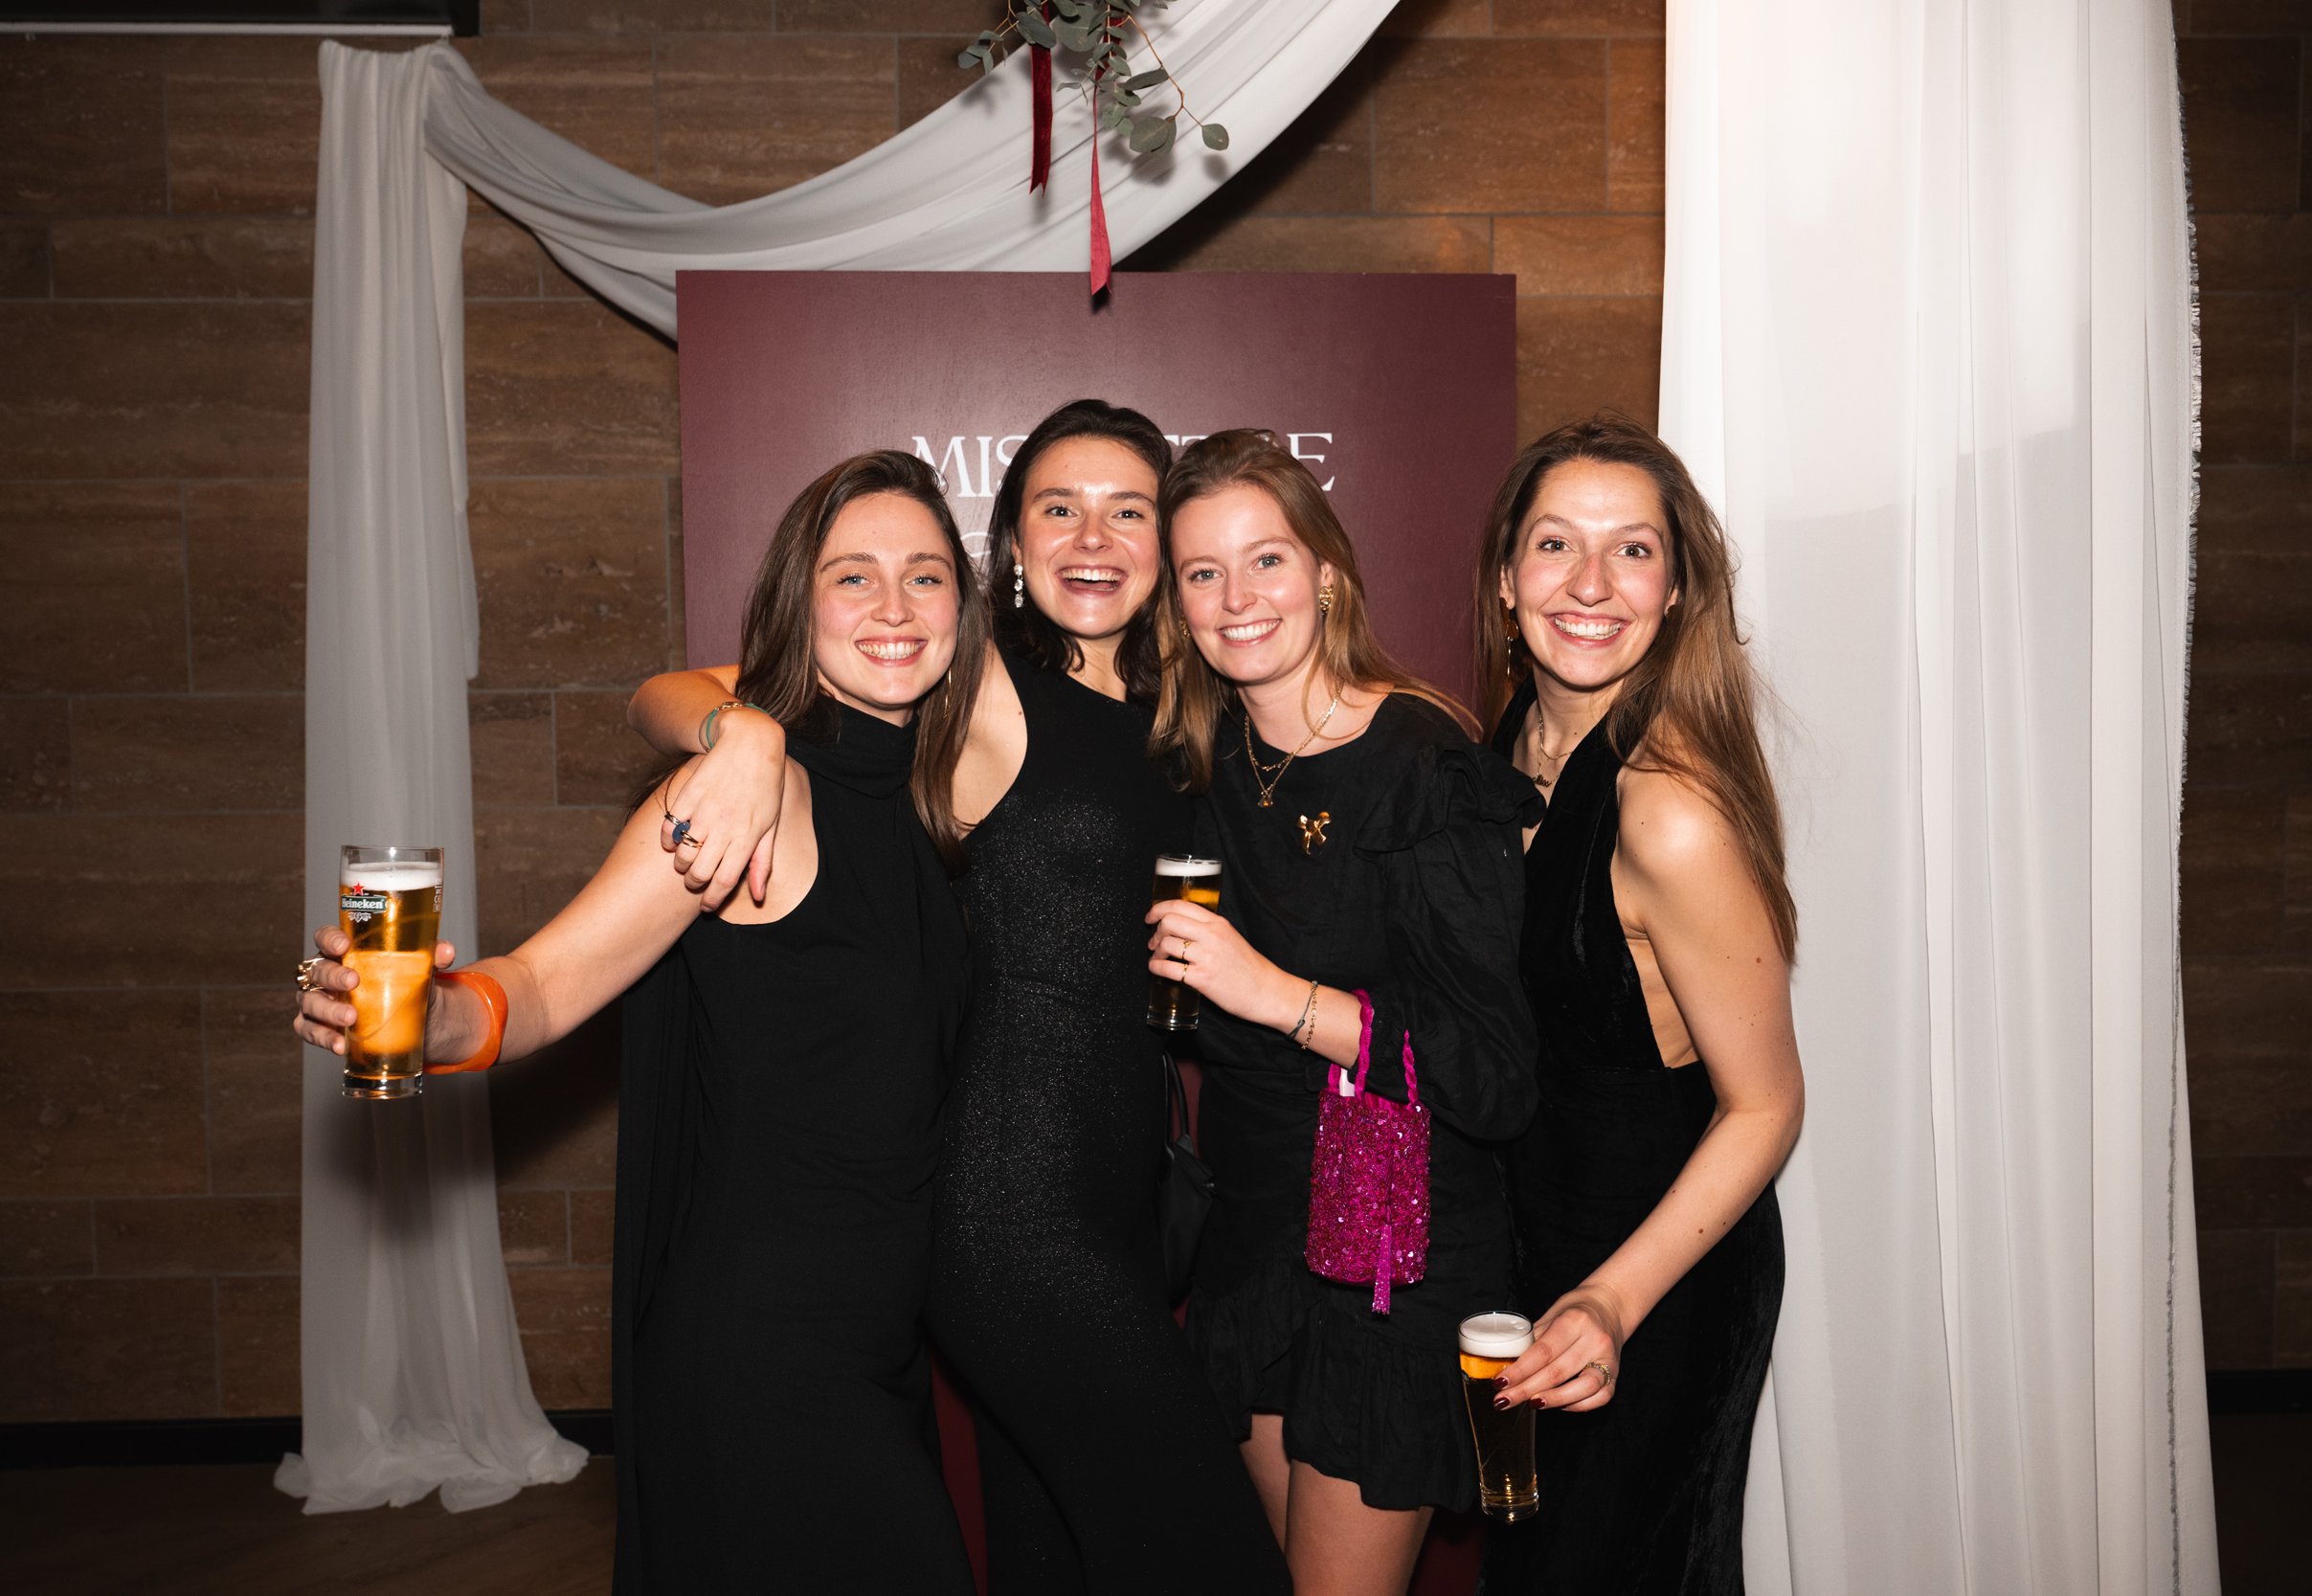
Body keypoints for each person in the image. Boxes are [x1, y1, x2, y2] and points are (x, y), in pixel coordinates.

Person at [295, 451, 986, 1595]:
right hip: (765, 1350)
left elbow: (674, 688)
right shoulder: (742, 796)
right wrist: (434, 1015)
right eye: (851, 576)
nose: (895, 607)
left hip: (878, 1343)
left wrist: (738, 722)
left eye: (926, 575)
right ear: (796, 600)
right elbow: (552, 981)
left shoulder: (934, 786)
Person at [627, 401, 1288, 1596]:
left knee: (1054, 1556)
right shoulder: (977, 679)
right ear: (1012, 551)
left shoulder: (1178, 716)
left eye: (1128, 508)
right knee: (1214, 1557)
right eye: (1057, 507)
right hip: (1009, 1206)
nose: (1093, 534)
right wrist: (739, 740)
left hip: (1113, 1195)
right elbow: (664, 692)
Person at [1140, 430, 1540, 1596]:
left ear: (1326, 569)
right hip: (1257, 1237)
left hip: (1389, 1258)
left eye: (1265, 558)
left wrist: (1275, 994)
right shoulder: (1200, 755)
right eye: (1202, 572)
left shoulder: (1420, 759)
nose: (1236, 597)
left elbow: (1494, 1072)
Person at [1470, 416, 1803, 1595]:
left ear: (1674, 593)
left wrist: (1614, 1298)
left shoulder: (1667, 810)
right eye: (1556, 544)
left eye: (1633, 551)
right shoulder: (1506, 750)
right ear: (1507, 580)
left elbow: (1764, 1105)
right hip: (1538, 1261)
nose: (1590, 584)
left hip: (1656, 1280)